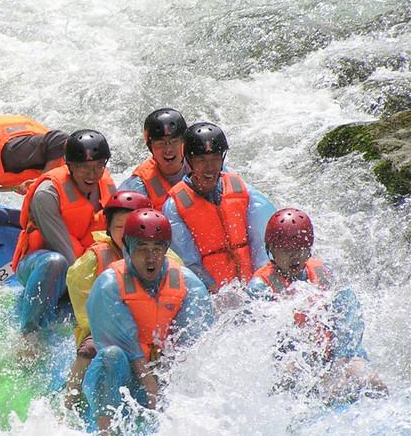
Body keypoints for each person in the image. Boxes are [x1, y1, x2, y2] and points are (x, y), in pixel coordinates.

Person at [82, 208, 214, 436]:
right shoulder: (108, 284)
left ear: (166, 250)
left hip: (162, 370)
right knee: (111, 356)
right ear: (127, 249)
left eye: (157, 249)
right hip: (122, 374)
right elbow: (127, 350)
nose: (150, 257)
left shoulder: (188, 284)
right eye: (142, 248)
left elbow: (194, 345)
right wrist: (151, 388)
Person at [246, 208, 388, 403]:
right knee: (290, 374)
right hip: (292, 361)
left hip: (333, 355)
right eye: (286, 250)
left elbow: (346, 320)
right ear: (271, 250)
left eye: (300, 248)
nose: (294, 256)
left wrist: (339, 363)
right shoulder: (261, 287)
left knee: (373, 381)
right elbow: (264, 344)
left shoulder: (323, 273)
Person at [64, 191, 184, 409]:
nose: (128, 232)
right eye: (120, 227)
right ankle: (70, 401)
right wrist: (115, 326)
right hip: (103, 327)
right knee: (87, 350)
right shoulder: (93, 260)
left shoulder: (168, 259)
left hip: (152, 327)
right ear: (109, 228)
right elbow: (84, 309)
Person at [10, 129, 116, 334]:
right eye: (84, 167)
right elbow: (67, 255)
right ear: (70, 166)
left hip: (85, 262)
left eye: (98, 166)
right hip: (42, 263)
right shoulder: (46, 194)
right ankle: (30, 334)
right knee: (55, 263)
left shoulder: (106, 184)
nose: (92, 174)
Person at [163, 121, 276, 294]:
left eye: (215, 158)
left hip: (252, 287)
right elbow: (188, 264)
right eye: (201, 159)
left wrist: (259, 282)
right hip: (213, 293)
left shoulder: (241, 189)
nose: (209, 167)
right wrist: (213, 291)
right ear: (189, 160)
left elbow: (262, 242)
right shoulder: (174, 206)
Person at [119, 108, 189, 210]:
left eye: (174, 141)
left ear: (184, 142)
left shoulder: (204, 167)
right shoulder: (137, 187)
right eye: (160, 144)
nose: (168, 150)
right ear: (150, 148)